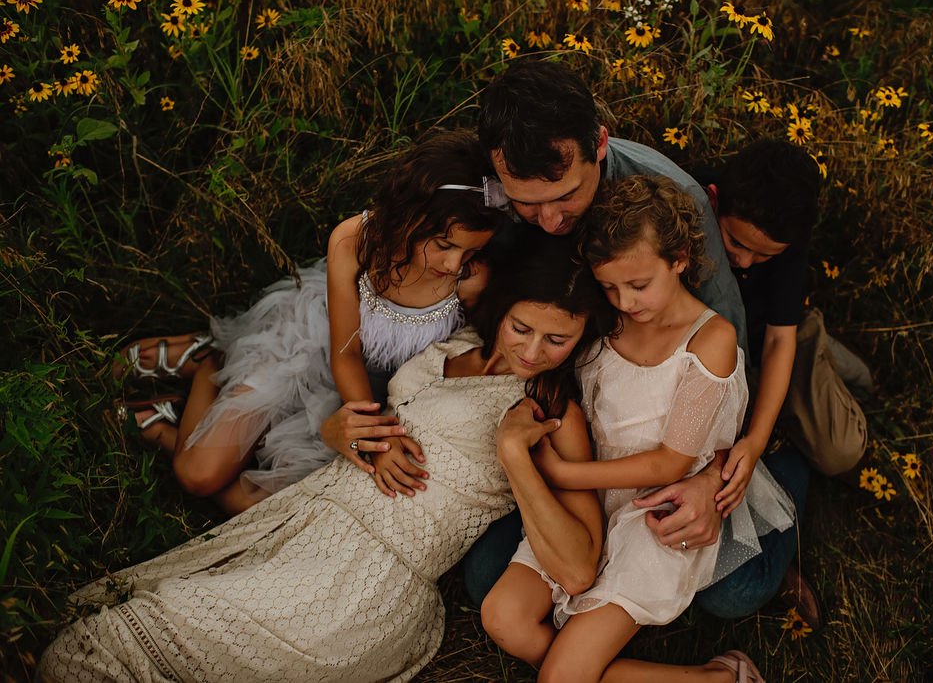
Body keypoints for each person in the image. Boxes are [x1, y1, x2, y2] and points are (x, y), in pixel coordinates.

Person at [37, 233, 618, 683]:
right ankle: (200, 376)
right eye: (522, 328)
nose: (532, 351)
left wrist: (514, 452)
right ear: (502, 307)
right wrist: (340, 430)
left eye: (557, 341)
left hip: (360, 586)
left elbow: (575, 568)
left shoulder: (548, 409)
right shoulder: (455, 341)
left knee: (91, 657)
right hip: (304, 523)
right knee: (91, 638)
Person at [481, 176, 789, 683]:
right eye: (609, 287)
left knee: (560, 677)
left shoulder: (709, 340)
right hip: (594, 498)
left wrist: (559, 472)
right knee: (503, 618)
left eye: (638, 285)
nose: (624, 301)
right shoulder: (611, 319)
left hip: (658, 513)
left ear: (681, 259)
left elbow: (669, 463)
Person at [115, 131, 508, 514]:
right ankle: (213, 361)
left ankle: (163, 419)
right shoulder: (356, 241)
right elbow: (346, 353)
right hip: (314, 350)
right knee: (197, 476)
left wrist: (374, 432)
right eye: (444, 245)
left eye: (470, 249)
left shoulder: (472, 277)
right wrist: (370, 436)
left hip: (384, 395)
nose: (454, 264)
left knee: (255, 505)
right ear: (409, 217)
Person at [695, 139, 870, 628]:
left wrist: (754, 441)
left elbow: (778, 344)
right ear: (712, 200)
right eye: (736, 243)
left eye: (764, 255)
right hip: (724, 352)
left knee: (840, 452)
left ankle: (826, 356)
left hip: (776, 334)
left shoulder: (784, 240)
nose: (747, 261)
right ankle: (789, 433)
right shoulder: (693, 201)